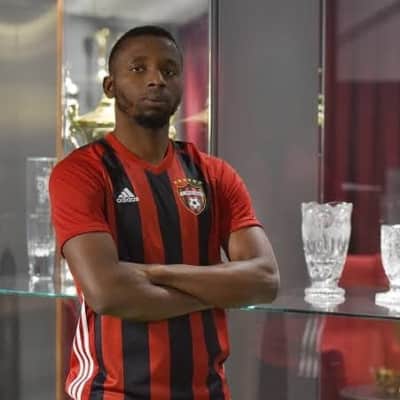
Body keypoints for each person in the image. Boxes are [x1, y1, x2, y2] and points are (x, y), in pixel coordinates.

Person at [50, 25, 280, 400]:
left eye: (169, 70)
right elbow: (107, 293)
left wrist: (153, 273)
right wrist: (218, 291)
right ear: (110, 86)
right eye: (138, 68)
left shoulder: (215, 174)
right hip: (110, 392)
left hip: (207, 392)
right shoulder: (81, 173)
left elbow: (265, 280)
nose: (156, 79)